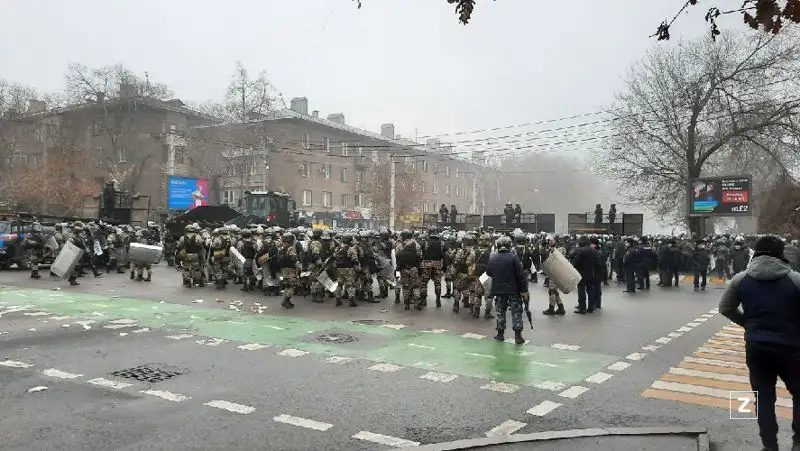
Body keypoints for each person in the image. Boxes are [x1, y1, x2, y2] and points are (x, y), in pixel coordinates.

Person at [719, 235, 800, 451]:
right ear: (780, 253)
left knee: (763, 397)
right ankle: (798, 442)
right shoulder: (795, 280)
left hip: (757, 347)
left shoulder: (740, 279)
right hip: (792, 348)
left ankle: (769, 445)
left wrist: (747, 323)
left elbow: (725, 307)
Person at [486, 235, 528, 344]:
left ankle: (500, 334)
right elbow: (521, 276)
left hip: (498, 290)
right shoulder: (514, 258)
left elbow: (488, 272)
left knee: (500, 312)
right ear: (509, 246)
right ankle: (518, 337)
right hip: (514, 290)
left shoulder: (493, 258)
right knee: (516, 312)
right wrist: (524, 290)